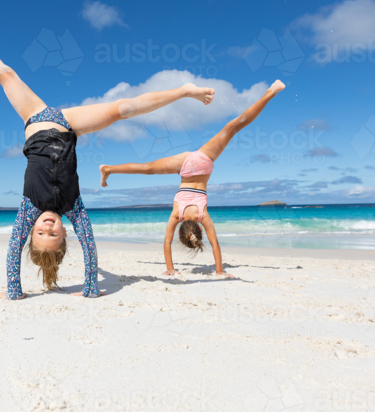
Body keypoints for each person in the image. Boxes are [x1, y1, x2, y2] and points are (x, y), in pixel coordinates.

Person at [0, 16, 216, 299]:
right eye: (53, 235)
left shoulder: (28, 207)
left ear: (30, 232)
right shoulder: (74, 207)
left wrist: (14, 291)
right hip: (68, 126)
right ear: (65, 234)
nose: (47, 228)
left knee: (6, 75)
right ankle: (183, 91)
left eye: (40, 234)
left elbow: (12, 251)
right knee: (120, 109)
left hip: (35, 118)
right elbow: (89, 246)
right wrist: (90, 288)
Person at [99, 80, 285, 278]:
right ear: (181, 230)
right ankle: (109, 168)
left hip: (204, 161)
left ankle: (270, 93)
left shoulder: (202, 216)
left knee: (234, 126)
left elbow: (214, 243)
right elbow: (167, 243)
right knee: (148, 169)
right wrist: (170, 268)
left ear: (199, 229)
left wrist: (220, 271)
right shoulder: (176, 215)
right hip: (185, 165)